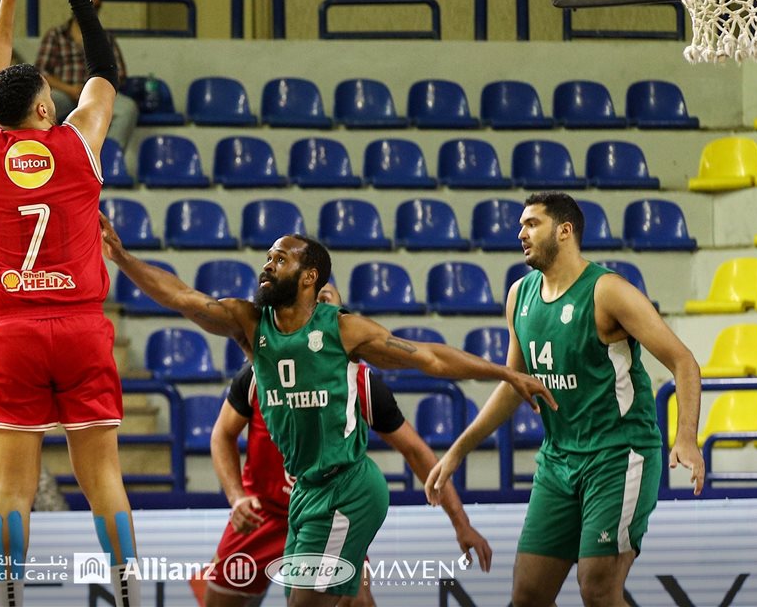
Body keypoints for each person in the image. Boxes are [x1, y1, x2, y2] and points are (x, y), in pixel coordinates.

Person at [99, 219, 554, 606]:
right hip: (303, 495)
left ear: (308, 277)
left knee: (310, 603)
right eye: (268, 257)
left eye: (280, 259)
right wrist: (122, 257)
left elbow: (428, 358)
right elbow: (182, 297)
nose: (266, 265)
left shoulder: (341, 330)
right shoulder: (250, 325)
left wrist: (506, 373)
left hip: (346, 490)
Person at [0, 0, 140, 607]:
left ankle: (9, 592)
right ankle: (127, 589)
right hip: (82, 329)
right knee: (103, 479)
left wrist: (6, 0)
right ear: (43, 111)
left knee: (12, 487)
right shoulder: (78, 142)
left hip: (11, 333)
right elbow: (104, 70)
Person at [425, 192, 705, 607]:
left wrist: (685, 437)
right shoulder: (520, 296)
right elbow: (514, 384)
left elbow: (684, 362)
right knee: (528, 594)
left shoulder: (608, 291)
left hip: (618, 455)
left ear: (565, 231)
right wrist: (457, 450)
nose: (520, 233)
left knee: (597, 587)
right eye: (521, 225)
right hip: (558, 462)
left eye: (531, 224)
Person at [199, 285, 493, 607]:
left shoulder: (361, 382)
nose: (319, 308)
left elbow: (415, 451)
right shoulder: (258, 373)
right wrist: (236, 496)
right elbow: (222, 435)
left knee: (358, 600)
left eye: (327, 303)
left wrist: (461, 523)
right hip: (263, 513)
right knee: (218, 601)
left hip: (330, 507)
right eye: (314, 301)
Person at [35, 0, 138, 149]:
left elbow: (119, 74)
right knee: (38, 107)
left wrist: (96, 91)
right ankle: (44, 151)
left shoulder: (106, 38)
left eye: (94, 7)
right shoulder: (56, 35)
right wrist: (70, 89)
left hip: (98, 95)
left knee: (128, 109)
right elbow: (41, 72)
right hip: (64, 92)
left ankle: (109, 155)